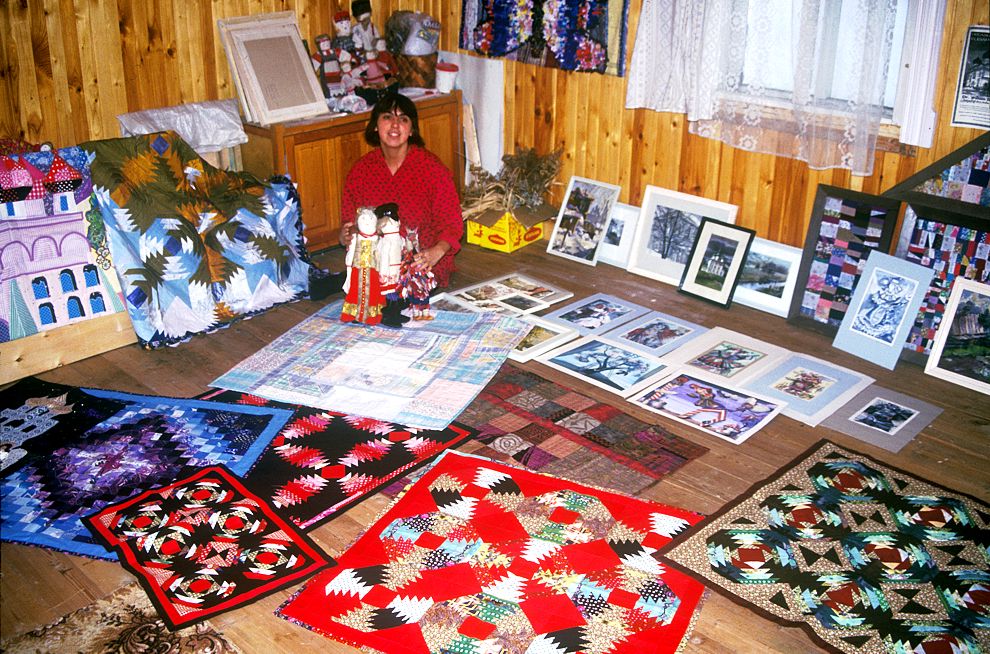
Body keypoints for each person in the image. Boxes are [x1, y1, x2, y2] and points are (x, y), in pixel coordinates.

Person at [339, 92, 462, 288]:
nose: (395, 125)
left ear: (412, 130)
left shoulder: (431, 168)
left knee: (405, 295)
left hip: (423, 261)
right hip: (377, 261)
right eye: (387, 117)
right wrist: (346, 235)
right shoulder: (361, 170)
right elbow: (350, 223)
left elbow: (451, 222)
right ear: (375, 126)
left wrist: (436, 252)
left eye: (403, 119)